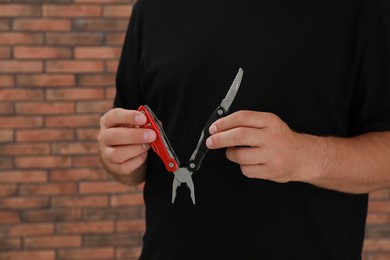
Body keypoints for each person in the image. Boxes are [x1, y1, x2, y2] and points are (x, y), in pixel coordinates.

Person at [98, 0, 390, 259]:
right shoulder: (152, 9)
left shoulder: (361, 8)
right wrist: (120, 160)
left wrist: (305, 157)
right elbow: (132, 165)